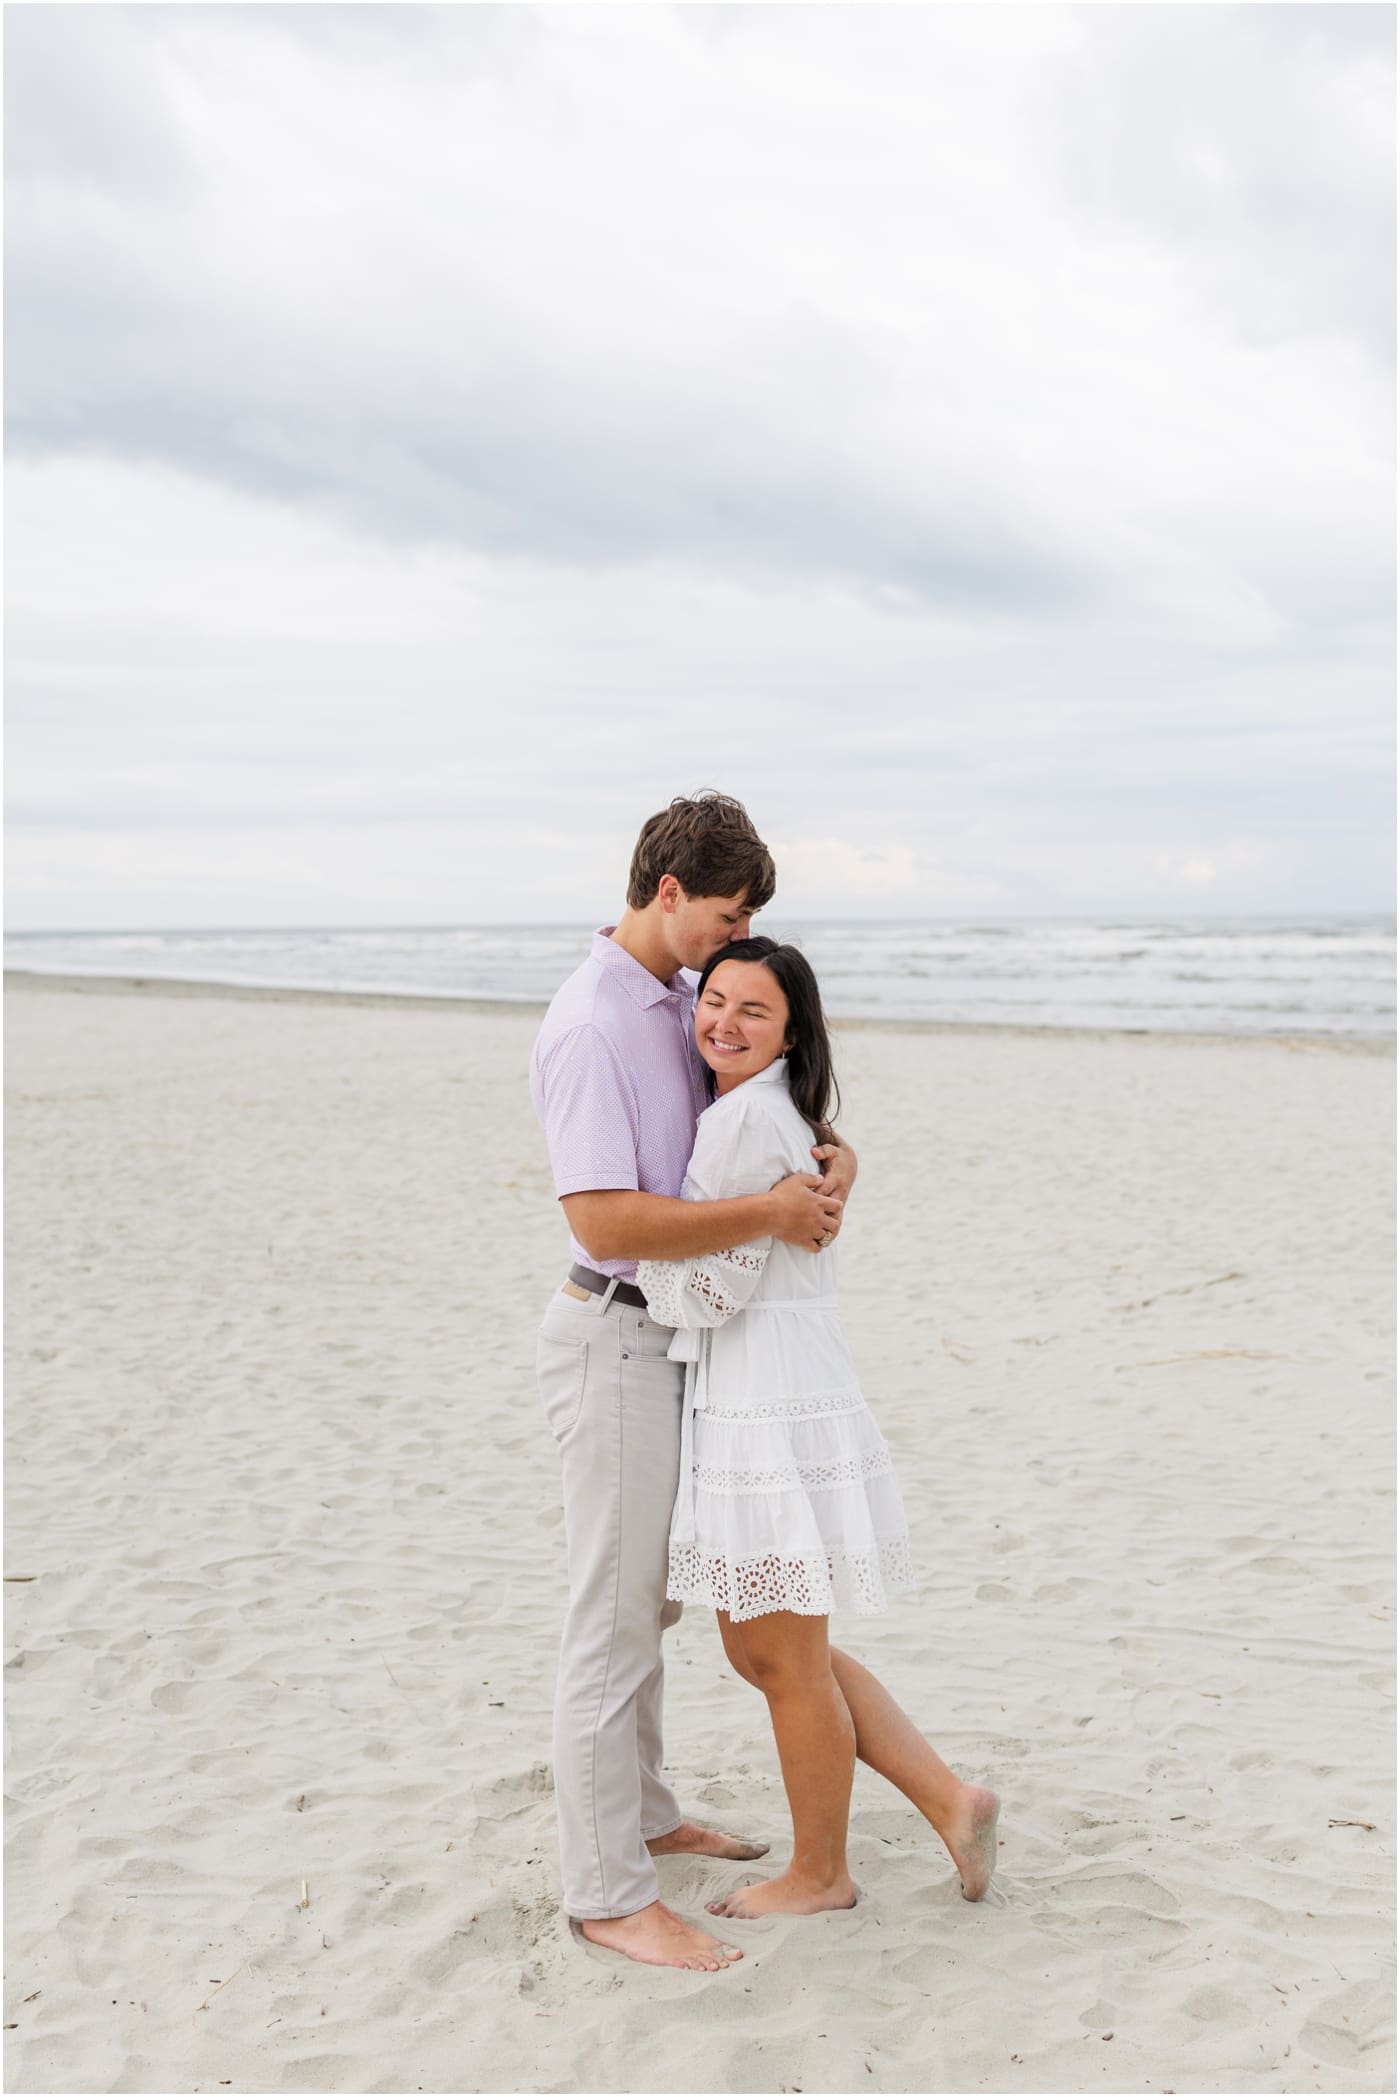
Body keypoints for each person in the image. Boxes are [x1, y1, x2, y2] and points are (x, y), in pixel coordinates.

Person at [530, 793, 858, 1973]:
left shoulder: (674, 995)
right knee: (607, 1626)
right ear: (668, 895)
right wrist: (768, 1213)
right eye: (725, 918)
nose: (732, 945)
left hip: (673, 1346)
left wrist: (826, 1162)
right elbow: (604, 1215)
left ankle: (650, 1816)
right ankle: (608, 1892)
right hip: (616, 1332)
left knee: (650, 1610)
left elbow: (749, 1101)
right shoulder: (589, 1027)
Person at [637, 937, 1000, 1920]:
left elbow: (705, 1292)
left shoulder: (740, 1124)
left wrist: (640, 1255)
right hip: (777, 1389)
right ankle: (946, 1798)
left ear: (791, 1029)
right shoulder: (779, 1111)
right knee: (765, 1652)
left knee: (783, 1659)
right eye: (713, 1000)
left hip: (765, 1401)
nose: (722, 1022)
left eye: (753, 1011)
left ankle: (820, 1874)